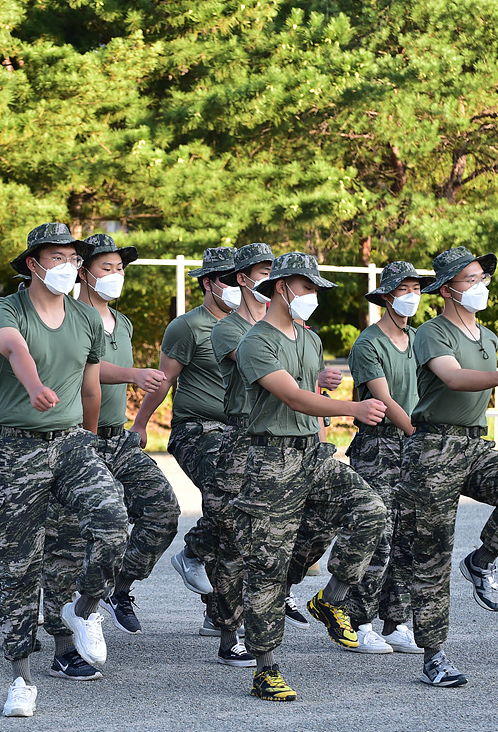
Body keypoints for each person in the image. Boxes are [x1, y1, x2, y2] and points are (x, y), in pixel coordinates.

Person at [0, 223, 128, 717]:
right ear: (32, 264)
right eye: (56, 257)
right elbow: (12, 349)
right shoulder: (5, 308)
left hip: (71, 443)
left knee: (111, 522)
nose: (66, 266)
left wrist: (90, 438)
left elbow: (91, 388)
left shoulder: (86, 319)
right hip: (17, 448)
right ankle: (21, 678)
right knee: (18, 566)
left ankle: (83, 608)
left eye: (72, 257)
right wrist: (34, 385)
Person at [232, 252, 388, 701]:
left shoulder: (309, 338)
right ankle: (265, 668)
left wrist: (324, 434)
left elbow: (310, 394)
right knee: (267, 565)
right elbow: (294, 398)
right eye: (309, 288)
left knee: (371, 509)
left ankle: (330, 598)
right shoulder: (256, 341)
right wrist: (353, 408)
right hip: (271, 461)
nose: (314, 296)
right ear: (283, 288)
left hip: (311, 456)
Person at [398, 246, 498, 687]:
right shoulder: (431, 332)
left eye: (482, 277)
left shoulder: (488, 335)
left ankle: (481, 561)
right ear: (446, 290)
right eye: (470, 279)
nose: (481, 285)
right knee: (431, 557)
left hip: (472, 444)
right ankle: (435, 655)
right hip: (432, 449)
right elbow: (453, 377)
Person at [39, 233, 179, 680]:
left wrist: (137, 423)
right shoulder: (69, 316)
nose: (115, 275)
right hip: (75, 437)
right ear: (83, 272)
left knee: (162, 510)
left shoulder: (123, 321)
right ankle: (65, 647)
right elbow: (83, 371)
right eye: (106, 267)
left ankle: (114, 588)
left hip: (115, 438)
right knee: (69, 543)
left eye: (120, 268)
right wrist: (135, 373)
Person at [130, 247, 234, 630]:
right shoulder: (188, 327)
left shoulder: (250, 326)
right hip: (198, 429)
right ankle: (192, 554)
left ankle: (217, 611)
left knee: (246, 512)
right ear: (208, 283)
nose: (237, 285)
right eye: (227, 278)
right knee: (228, 499)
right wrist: (141, 423)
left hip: (238, 432)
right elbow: (163, 381)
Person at [340, 261, 434, 654]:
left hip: (414, 448)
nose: (411, 296)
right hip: (380, 448)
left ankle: (396, 622)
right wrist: (418, 433)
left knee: (409, 537)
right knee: (377, 536)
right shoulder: (369, 343)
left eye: (416, 289)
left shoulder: (419, 340)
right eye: (404, 289)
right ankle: (358, 622)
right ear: (386, 296)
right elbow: (384, 398)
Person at [204, 242, 275, 666]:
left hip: (285, 441)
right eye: (259, 271)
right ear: (242, 278)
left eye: (272, 271)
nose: (267, 278)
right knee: (233, 538)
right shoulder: (228, 328)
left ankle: (271, 605)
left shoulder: (293, 328)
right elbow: (263, 367)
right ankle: (231, 632)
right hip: (243, 439)